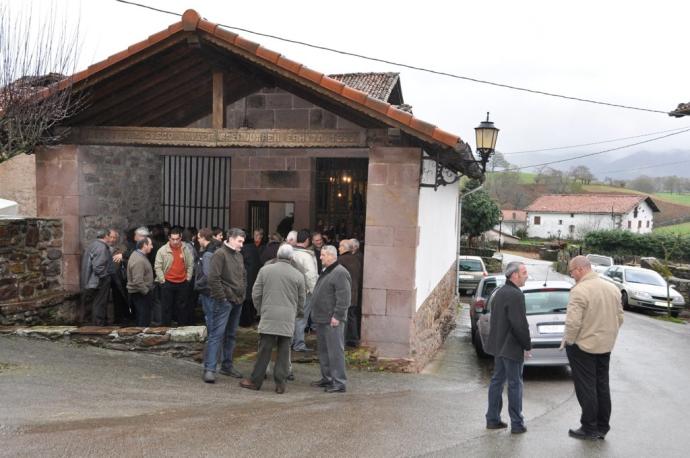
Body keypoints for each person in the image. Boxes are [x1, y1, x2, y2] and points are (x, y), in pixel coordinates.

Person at [563, 255, 624, 441]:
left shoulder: (580, 290)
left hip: (583, 346)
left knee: (586, 387)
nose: (572, 275)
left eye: (572, 271)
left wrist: (569, 341)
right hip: (605, 346)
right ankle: (602, 427)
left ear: (580, 269)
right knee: (602, 385)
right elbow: (620, 317)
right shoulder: (612, 288)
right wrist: (607, 335)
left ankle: (589, 427)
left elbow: (573, 322)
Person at [239, 244, 306, 393]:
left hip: (269, 315)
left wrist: (261, 309)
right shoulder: (298, 275)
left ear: (277, 254)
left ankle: (255, 381)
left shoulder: (265, 270)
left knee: (264, 350)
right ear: (291, 257)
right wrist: (297, 313)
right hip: (288, 317)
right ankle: (280, 383)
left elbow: (256, 293)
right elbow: (302, 299)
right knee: (284, 351)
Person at [485, 261, 531, 434]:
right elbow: (519, 324)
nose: (526, 275)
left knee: (497, 382)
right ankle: (517, 424)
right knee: (515, 385)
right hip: (511, 348)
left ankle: (492, 419)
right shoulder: (515, 295)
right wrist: (527, 345)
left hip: (499, 346)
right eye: (524, 272)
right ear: (514, 275)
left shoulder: (500, 292)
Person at [206, 228, 247, 380]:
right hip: (224, 301)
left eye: (242, 241)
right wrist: (223, 298)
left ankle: (227, 366)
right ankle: (209, 368)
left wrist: (241, 295)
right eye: (239, 241)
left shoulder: (238, 255)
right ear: (230, 238)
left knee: (231, 335)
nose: (242, 244)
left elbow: (243, 275)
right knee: (217, 334)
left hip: (237, 300)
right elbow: (213, 278)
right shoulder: (220, 254)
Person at [309, 245, 351, 393]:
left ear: (332, 256)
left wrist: (338, 316)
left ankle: (339, 382)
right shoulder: (327, 270)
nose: (320, 257)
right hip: (322, 318)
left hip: (332, 319)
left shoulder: (340, 273)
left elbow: (344, 297)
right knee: (324, 351)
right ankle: (327, 378)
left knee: (335, 351)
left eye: (323, 255)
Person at [195, 228, 222, 383]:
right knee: (217, 329)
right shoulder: (217, 249)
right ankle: (217, 361)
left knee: (213, 329)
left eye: (198, 237)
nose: (197, 239)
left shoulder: (207, 254)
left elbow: (207, 274)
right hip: (215, 294)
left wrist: (199, 284)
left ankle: (211, 364)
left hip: (209, 294)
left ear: (203, 237)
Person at [154, 227, 194, 326]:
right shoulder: (162, 250)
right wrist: (162, 280)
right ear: (169, 238)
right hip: (167, 282)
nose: (175, 241)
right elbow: (157, 266)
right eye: (173, 239)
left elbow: (190, 264)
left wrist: (188, 278)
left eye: (177, 239)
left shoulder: (186, 249)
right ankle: (166, 328)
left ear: (181, 238)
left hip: (182, 282)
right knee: (166, 307)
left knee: (182, 307)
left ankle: (182, 327)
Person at [80, 228, 117, 325]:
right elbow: (98, 267)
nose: (111, 239)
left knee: (95, 303)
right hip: (99, 281)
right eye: (110, 236)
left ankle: (94, 324)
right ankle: (98, 326)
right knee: (99, 303)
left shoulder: (93, 245)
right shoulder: (101, 247)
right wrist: (105, 277)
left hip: (92, 281)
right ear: (106, 236)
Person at [291, 229, 319, 352]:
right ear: (308, 240)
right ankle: (299, 344)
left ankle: (290, 342)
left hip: (290, 290)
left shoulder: (290, 252)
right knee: (301, 319)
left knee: (292, 317)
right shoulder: (307, 256)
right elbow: (311, 276)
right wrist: (315, 292)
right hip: (304, 291)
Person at [338, 239, 363, 347]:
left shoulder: (341, 260)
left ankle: (342, 340)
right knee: (352, 316)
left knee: (343, 317)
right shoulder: (356, 259)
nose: (338, 248)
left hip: (345, 293)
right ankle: (353, 340)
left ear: (344, 248)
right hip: (354, 292)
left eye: (340, 246)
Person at [126, 237, 154, 327]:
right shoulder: (138, 260)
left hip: (140, 293)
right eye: (150, 244)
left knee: (143, 318)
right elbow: (137, 281)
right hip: (140, 294)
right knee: (143, 320)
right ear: (144, 245)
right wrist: (146, 292)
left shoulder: (140, 256)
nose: (152, 247)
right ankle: (141, 339)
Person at [240, 228, 265, 326]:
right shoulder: (253, 247)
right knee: (251, 298)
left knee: (246, 299)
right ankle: (252, 318)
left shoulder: (244, 249)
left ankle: (245, 321)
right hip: (254, 275)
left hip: (247, 276)